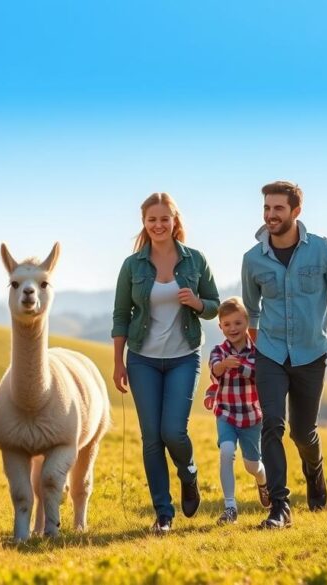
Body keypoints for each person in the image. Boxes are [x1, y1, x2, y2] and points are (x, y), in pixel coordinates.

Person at [241, 180, 327, 529]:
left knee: (303, 432)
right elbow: (251, 310)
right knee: (272, 425)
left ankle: (315, 475)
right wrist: (255, 348)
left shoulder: (321, 250)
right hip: (271, 353)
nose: (271, 215)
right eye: (267, 208)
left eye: (278, 208)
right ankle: (280, 508)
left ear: (296, 211)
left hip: (310, 353)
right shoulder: (252, 259)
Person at [112, 192, 220, 534]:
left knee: (173, 431)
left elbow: (215, 304)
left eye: (164, 219)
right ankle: (163, 513)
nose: (158, 225)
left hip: (183, 357)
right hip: (142, 358)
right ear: (144, 223)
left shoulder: (195, 260)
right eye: (151, 220)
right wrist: (118, 362)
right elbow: (120, 315)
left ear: (175, 221)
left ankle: (188, 474)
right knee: (151, 438)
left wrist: (198, 303)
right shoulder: (132, 266)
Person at [204, 297, 270, 525]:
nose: (233, 329)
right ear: (220, 326)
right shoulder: (218, 351)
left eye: (238, 323)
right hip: (226, 413)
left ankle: (263, 481)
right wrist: (222, 366)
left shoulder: (257, 351)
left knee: (252, 465)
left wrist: (240, 367)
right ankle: (230, 506)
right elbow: (214, 371)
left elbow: (259, 374)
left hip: (252, 416)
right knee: (226, 450)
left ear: (246, 323)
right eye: (227, 324)